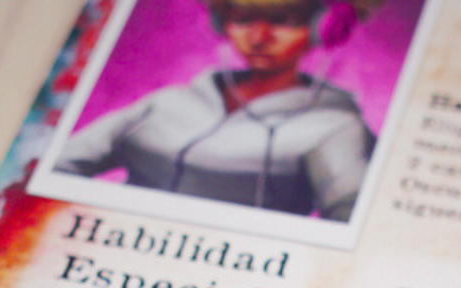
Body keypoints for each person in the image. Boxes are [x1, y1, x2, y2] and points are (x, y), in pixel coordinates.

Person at [55, 0, 382, 221]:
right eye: (243, 20)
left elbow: (350, 215)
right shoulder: (168, 102)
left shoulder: (336, 126)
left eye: (282, 21)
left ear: (322, 28)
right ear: (222, 22)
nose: (259, 38)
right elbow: (62, 162)